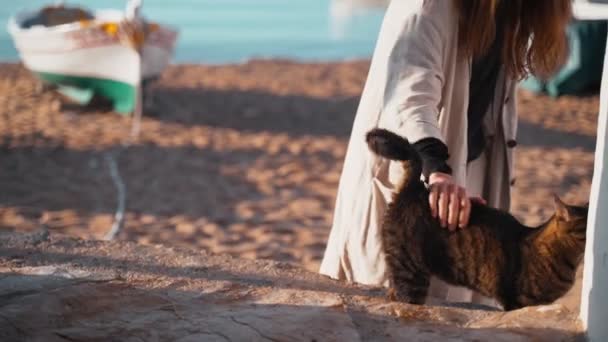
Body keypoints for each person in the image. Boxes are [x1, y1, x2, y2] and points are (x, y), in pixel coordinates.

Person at [320, 0, 572, 306]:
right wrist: (437, 169)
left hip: (467, 175)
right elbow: (411, 93)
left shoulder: (513, 9)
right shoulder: (430, 5)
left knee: (450, 306)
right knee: (385, 303)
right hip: (415, 180)